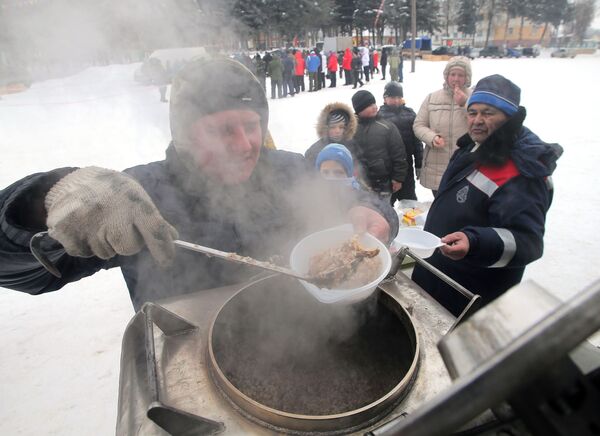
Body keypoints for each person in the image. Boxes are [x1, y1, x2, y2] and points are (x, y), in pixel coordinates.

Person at [0, 57, 399, 311]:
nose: (245, 145)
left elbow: (353, 198)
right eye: (223, 130)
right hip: (188, 370)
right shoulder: (139, 195)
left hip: (299, 346)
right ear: (187, 135)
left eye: (251, 126)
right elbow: (27, 274)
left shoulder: (290, 171)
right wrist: (49, 197)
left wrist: (371, 210)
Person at [412, 75, 563, 316]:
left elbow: (528, 242)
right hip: (439, 273)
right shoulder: (472, 147)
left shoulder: (523, 171)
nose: (477, 121)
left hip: (470, 294)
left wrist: (474, 242)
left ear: (509, 117)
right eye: (472, 113)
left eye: (488, 113)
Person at [413, 56, 472, 197]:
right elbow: (418, 125)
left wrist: (465, 103)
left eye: (461, 75)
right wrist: (432, 138)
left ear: (467, 78)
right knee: (441, 206)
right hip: (437, 166)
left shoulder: (475, 97)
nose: (456, 79)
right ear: (446, 76)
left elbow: (483, 123)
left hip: (465, 164)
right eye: (452, 74)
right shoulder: (432, 98)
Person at [351, 90, 408, 202]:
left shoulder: (387, 127)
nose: (374, 107)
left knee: (384, 212)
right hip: (358, 182)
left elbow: (399, 154)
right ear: (359, 109)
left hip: (383, 182)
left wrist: (398, 178)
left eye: (374, 104)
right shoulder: (351, 129)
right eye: (369, 105)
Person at [378, 82, 423, 204]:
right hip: (387, 169)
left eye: (398, 97)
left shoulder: (410, 114)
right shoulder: (379, 116)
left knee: (410, 203)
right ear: (385, 98)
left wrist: (419, 163)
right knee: (385, 205)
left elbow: (417, 141)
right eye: (392, 97)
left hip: (407, 166)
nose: (396, 101)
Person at [304, 102, 357, 167]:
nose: (337, 131)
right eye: (333, 127)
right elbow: (308, 172)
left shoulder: (353, 146)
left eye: (341, 127)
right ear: (325, 128)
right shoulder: (314, 151)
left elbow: (362, 167)